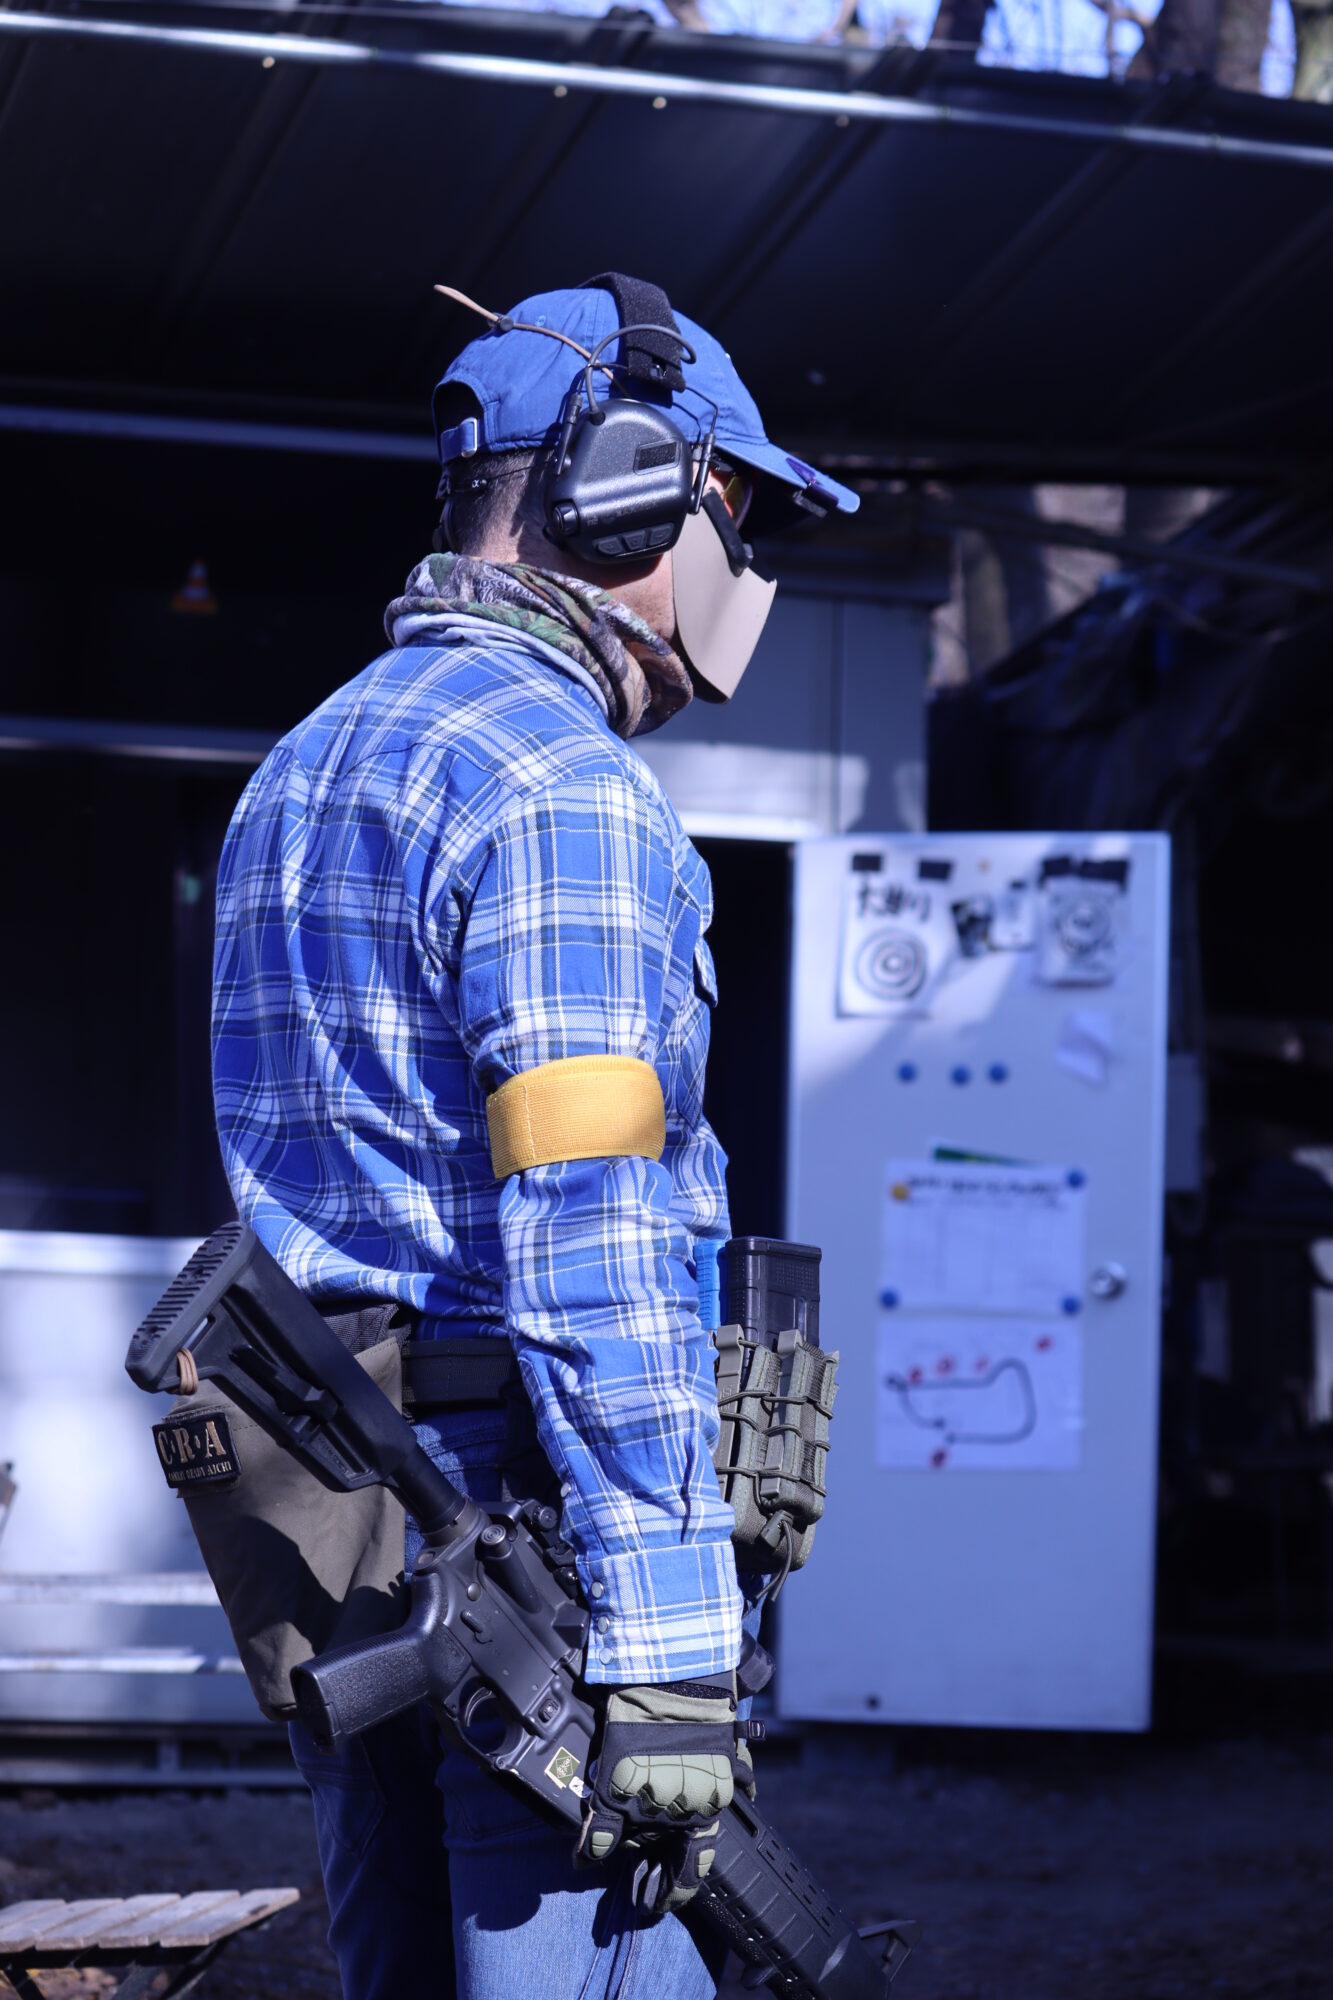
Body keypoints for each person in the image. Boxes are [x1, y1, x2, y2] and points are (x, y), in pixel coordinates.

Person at [210, 275, 857, 2000]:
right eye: (730, 511)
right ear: (624, 486)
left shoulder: (303, 767)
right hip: (529, 1541)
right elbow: (593, 1227)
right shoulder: (558, 789)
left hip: (351, 1523)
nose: (740, 571)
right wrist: (668, 1638)